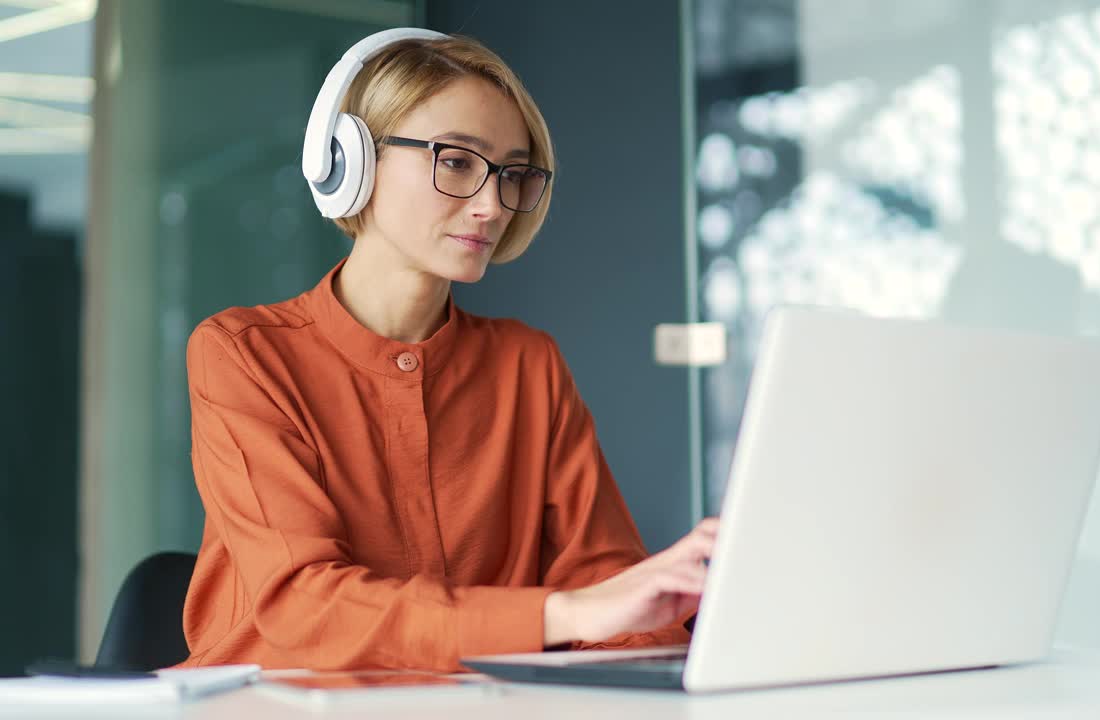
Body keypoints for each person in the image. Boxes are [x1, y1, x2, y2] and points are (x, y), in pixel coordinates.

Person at [176, 29, 717, 672]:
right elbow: (303, 603)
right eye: (457, 161)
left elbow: (606, 579)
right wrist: (564, 615)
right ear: (352, 162)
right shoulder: (243, 356)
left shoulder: (528, 366)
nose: (492, 205)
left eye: (513, 174)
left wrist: (669, 640)